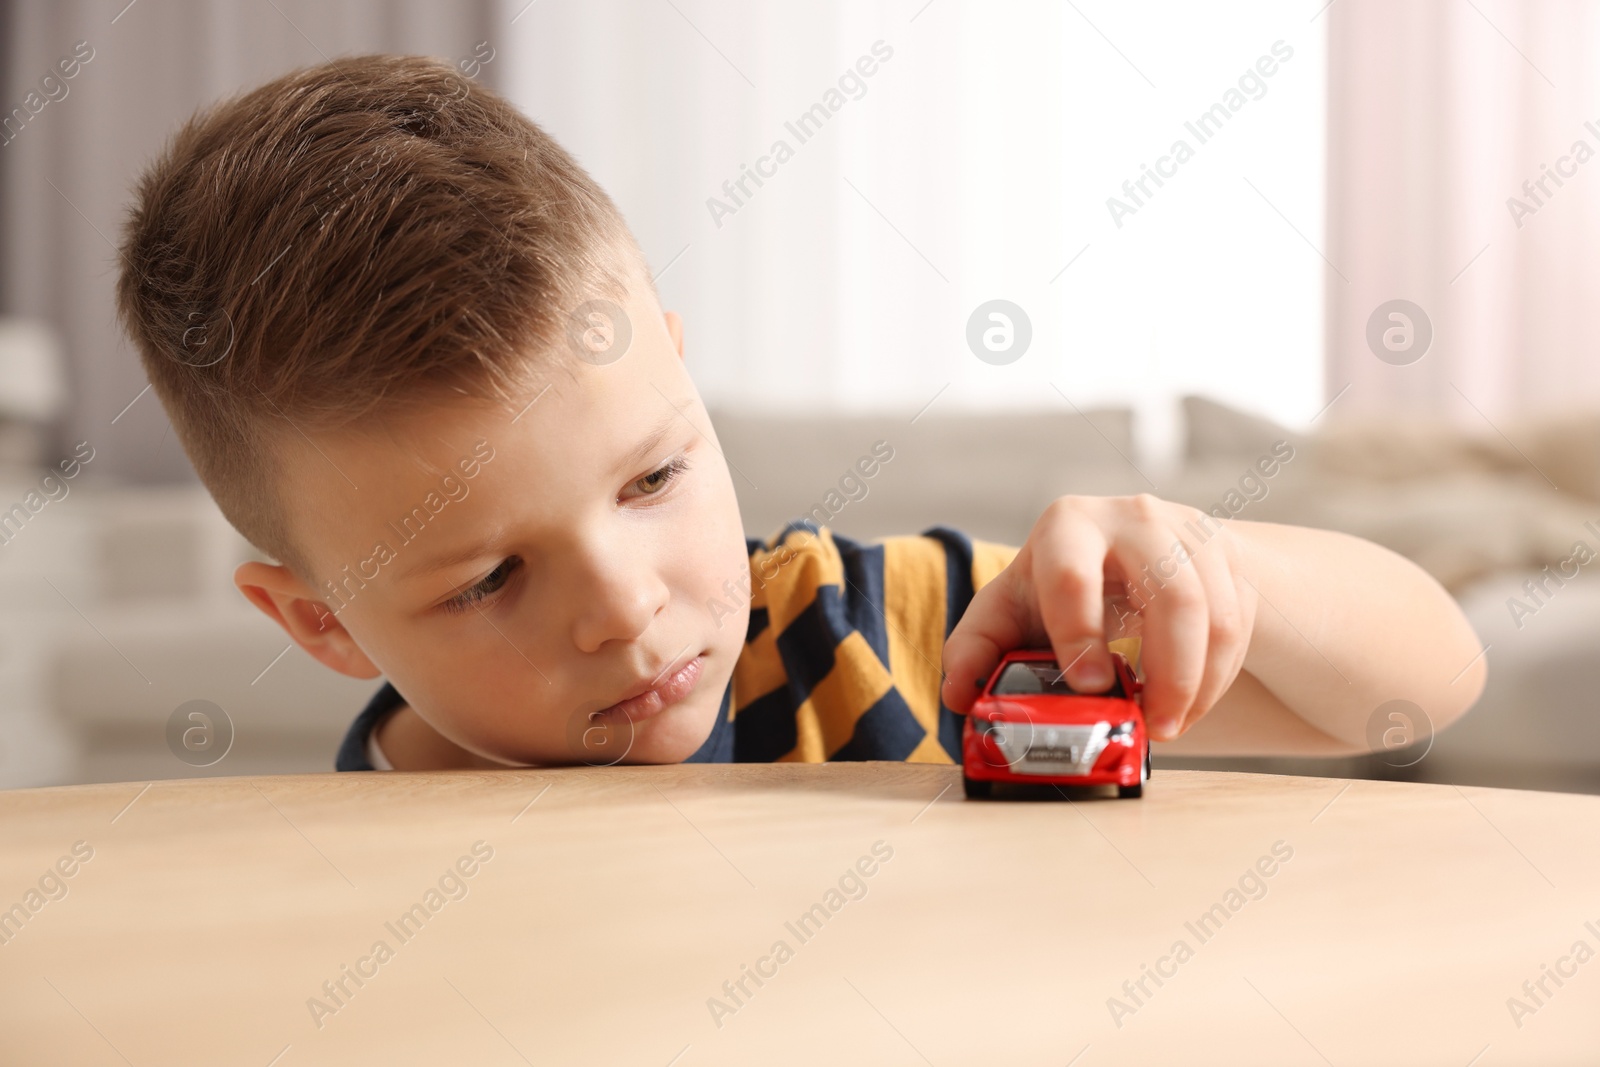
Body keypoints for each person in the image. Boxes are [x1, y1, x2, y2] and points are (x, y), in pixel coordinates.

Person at [112, 55, 1486, 773]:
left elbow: (1424, 686)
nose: (626, 610)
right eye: (488, 577)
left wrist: (1218, 568)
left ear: (680, 368)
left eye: (652, 479)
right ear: (324, 626)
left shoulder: (891, 637)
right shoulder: (347, 865)